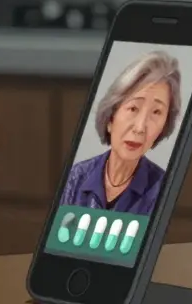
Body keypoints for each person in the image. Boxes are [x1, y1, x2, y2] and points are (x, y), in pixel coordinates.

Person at [59, 51, 183, 215]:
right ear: (111, 118)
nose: (140, 127)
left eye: (156, 112)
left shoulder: (163, 190)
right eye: (133, 108)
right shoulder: (75, 178)